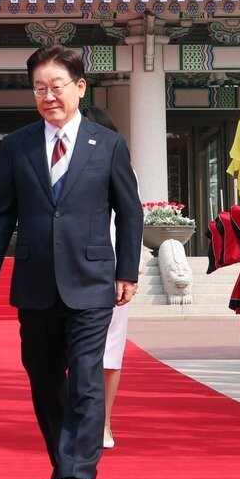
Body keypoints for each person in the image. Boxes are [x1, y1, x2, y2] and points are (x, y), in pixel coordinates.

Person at [0, 45, 142, 479]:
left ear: (80, 88)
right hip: (35, 282)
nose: (49, 96)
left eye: (57, 86)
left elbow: (129, 213)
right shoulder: (17, 145)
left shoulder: (108, 144)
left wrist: (127, 272)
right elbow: (0, 214)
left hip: (91, 280)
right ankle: (63, 465)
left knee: (86, 379)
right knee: (45, 380)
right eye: (39, 88)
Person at [80, 105, 130, 449]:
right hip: (72, 269)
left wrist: (125, 270)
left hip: (110, 271)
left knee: (110, 351)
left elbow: (129, 219)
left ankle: (104, 423)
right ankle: (79, 421)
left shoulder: (117, 160)